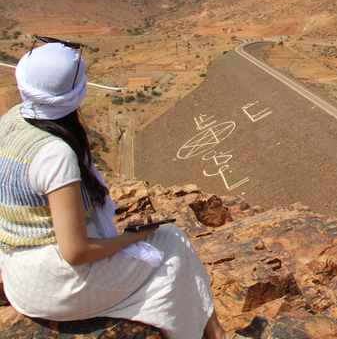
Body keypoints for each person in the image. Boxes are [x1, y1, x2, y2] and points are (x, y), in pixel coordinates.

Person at [0, 37, 242, 339]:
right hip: (55, 285)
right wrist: (131, 239)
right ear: (75, 94)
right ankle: (214, 335)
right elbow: (75, 251)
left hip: (18, 276)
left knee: (158, 246)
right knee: (172, 242)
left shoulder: (9, 121)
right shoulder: (54, 153)